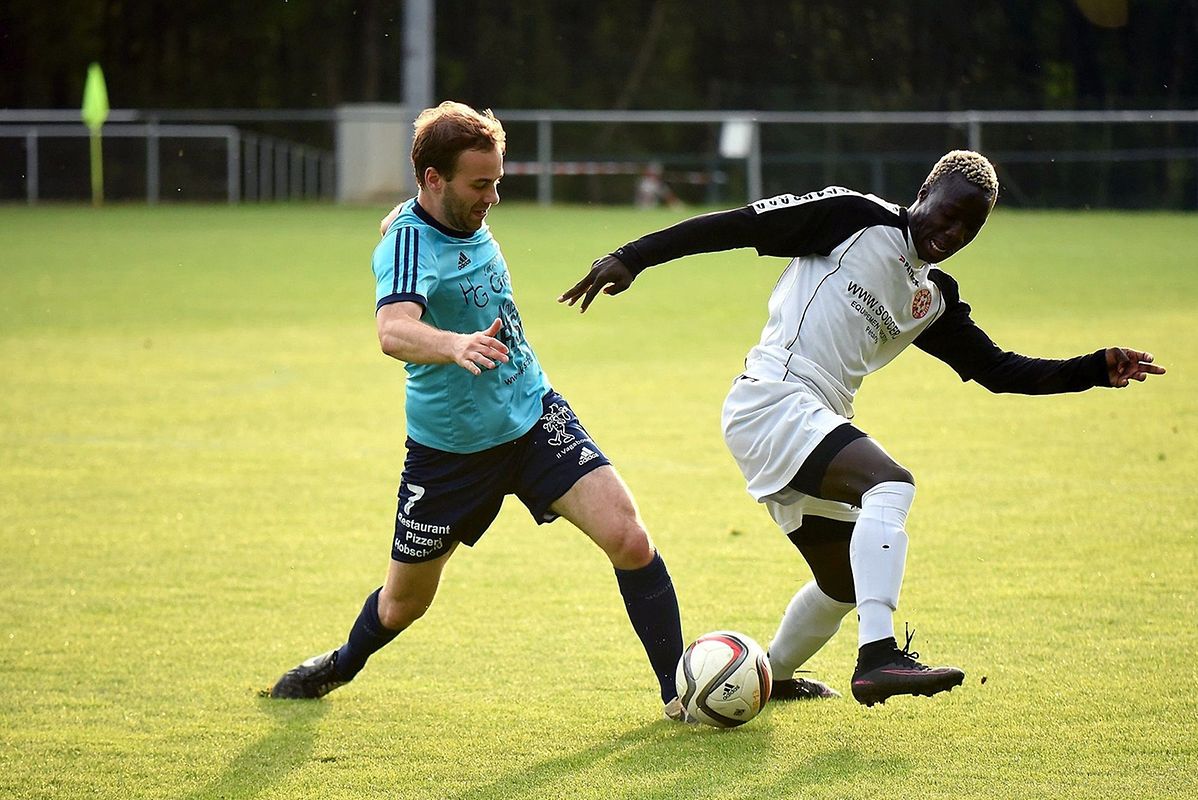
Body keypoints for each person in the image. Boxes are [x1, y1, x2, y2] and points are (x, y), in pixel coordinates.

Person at [559, 150, 1165, 707]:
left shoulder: (931, 296)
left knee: (844, 579)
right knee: (890, 485)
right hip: (773, 399)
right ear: (925, 191)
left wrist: (1092, 369)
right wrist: (634, 256)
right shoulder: (854, 217)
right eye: (947, 215)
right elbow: (738, 225)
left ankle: (766, 676)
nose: (950, 235)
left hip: (807, 418)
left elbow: (997, 370)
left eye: (967, 230)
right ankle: (878, 656)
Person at [269, 101, 688, 722]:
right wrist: (455, 345)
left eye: (496, 181)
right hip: (452, 452)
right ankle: (339, 663)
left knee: (629, 538)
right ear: (433, 180)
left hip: (532, 414)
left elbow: (427, 233)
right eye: (479, 184)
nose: (492, 197)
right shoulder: (407, 245)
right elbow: (393, 331)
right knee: (402, 605)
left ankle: (680, 695)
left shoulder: (456, 212)